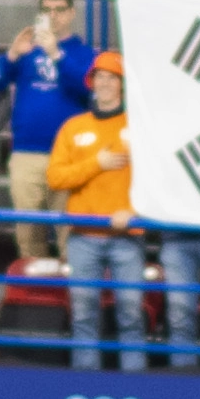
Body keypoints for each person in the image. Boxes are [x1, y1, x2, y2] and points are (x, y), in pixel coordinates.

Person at [48, 49, 140, 366]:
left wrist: (136, 213)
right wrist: (96, 163)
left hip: (127, 236)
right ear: (91, 82)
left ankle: (136, 386)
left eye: (112, 78)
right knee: (84, 317)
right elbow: (55, 178)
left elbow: (156, 179)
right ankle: (85, 386)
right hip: (83, 237)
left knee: (131, 317)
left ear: (122, 84)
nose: (105, 83)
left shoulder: (140, 126)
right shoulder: (73, 127)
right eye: (100, 76)